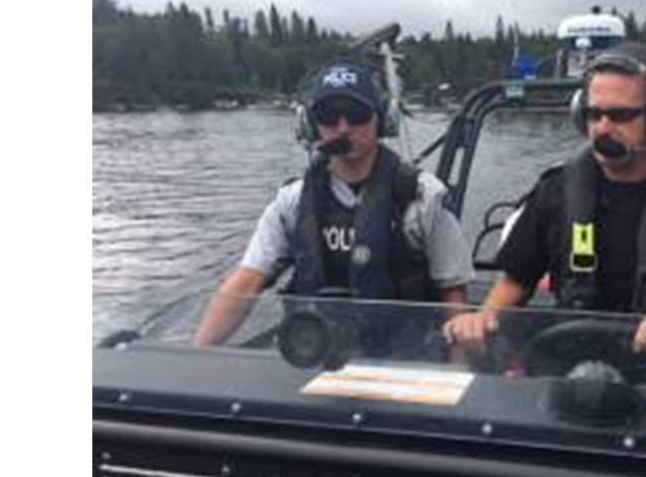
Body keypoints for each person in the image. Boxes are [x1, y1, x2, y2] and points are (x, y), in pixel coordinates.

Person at [443, 42, 646, 361]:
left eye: (620, 115)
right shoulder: (556, 190)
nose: (603, 127)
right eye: (594, 114)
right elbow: (515, 281)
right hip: (572, 377)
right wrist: (481, 319)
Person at [195, 62, 474, 348]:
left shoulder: (423, 196)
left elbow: (454, 295)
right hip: (314, 356)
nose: (343, 128)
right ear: (311, 124)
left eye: (356, 114)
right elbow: (247, 281)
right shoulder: (292, 201)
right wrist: (196, 358)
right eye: (329, 116)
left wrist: (456, 372)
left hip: (403, 362)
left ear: (383, 118)